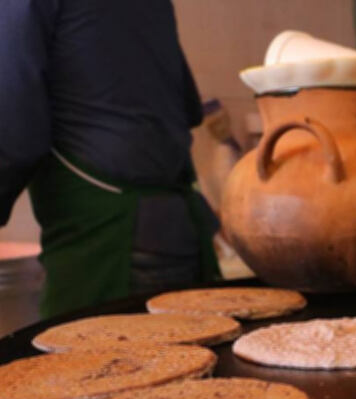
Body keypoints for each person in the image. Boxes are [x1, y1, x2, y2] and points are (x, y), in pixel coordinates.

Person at [0, 0, 220, 318]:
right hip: (181, 227)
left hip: (106, 243)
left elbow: (14, 135)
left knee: (84, 364)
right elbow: (189, 107)